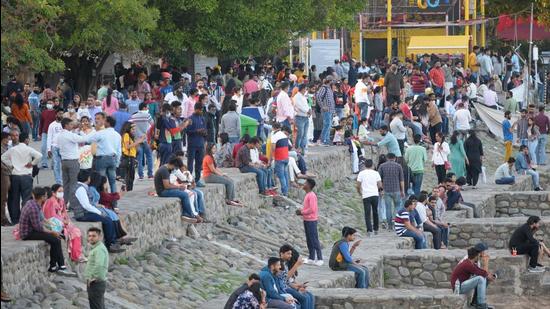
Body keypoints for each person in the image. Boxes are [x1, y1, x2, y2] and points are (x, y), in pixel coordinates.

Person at [19, 187, 74, 275]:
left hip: (33, 230)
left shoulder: (34, 203)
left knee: (57, 238)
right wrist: (52, 232)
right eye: (45, 196)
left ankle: (61, 266)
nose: (46, 197)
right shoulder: (33, 208)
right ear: (42, 197)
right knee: (55, 239)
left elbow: (42, 219)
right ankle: (53, 266)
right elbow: (39, 228)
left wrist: (52, 226)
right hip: (28, 233)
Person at [72, 170, 125, 253]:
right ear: (88, 179)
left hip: (84, 212)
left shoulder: (79, 187)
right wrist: (99, 212)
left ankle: (114, 241)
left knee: (107, 218)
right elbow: (86, 205)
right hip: (83, 214)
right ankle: (110, 244)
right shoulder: (81, 189)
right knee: (107, 220)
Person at [1, 132, 42, 224]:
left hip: (15, 176)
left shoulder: (13, 149)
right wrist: (32, 163)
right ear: (26, 139)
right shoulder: (28, 149)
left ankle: (15, 220)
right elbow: (39, 156)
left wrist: (12, 165)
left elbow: (3, 158)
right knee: (26, 199)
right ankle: (25, 219)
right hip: (26, 176)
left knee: (14, 199)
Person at [42, 184, 86, 262]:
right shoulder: (50, 202)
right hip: (54, 224)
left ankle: (77, 254)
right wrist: (63, 221)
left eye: (62, 191)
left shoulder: (61, 200)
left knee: (77, 231)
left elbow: (64, 212)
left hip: (62, 222)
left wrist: (67, 220)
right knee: (74, 232)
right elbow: (52, 217)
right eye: (59, 191)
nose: (61, 193)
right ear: (53, 193)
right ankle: (75, 256)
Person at [154, 157, 200, 222]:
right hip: (162, 192)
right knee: (184, 195)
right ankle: (187, 214)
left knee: (186, 193)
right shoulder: (164, 170)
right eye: (176, 168)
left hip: (165, 190)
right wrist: (178, 187)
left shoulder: (165, 169)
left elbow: (169, 184)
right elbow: (167, 186)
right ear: (173, 165)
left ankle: (189, 213)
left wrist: (179, 186)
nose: (175, 169)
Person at [56, 117, 91, 202]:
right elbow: (84, 139)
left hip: (64, 161)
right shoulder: (69, 135)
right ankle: (72, 202)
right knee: (73, 183)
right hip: (72, 161)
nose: (72, 126)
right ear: (66, 125)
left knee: (66, 183)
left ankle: (65, 202)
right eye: (71, 124)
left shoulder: (60, 135)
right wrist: (82, 131)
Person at [89, 116, 121, 193]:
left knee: (101, 181)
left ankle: (103, 201)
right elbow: (119, 150)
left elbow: (89, 139)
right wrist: (117, 163)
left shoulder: (101, 133)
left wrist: (96, 128)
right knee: (113, 182)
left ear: (108, 123)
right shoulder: (117, 135)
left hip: (101, 159)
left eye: (105, 121)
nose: (103, 123)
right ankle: (114, 202)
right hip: (112, 159)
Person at [296, 179, 322, 265]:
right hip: (306, 219)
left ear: (309, 185)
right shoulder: (307, 195)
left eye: (306, 183)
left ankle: (319, 258)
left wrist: (302, 212)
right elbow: (308, 208)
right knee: (309, 239)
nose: (304, 184)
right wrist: (302, 210)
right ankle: (311, 257)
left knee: (314, 239)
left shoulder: (311, 195)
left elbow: (312, 209)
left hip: (311, 220)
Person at [378, 153, 404, 230]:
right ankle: (394, 219)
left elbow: (379, 180)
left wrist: (381, 190)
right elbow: (401, 180)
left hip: (386, 190)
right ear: (395, 158)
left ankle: (389, 225)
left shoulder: (382, 166)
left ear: (387, 158)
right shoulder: (399, 166)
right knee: (398, 206)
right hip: (396, 190)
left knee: (388, 208)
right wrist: (402, 190)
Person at [356, 159, 382, 236]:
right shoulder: (376, 173)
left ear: (364, 165)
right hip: (374, 194)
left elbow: (358, 185)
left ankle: (369, 230)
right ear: (372, 165)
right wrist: (380, 191)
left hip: (366, 195)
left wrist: (359, 192)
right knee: (375, 212)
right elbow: (380, 185)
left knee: (367, 213)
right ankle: (376, 229)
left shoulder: (361, 173)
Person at [84, 227, 109, 309]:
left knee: (96, 306)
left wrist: (92, 278)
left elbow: (99, 265)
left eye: (94, 236)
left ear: (99, 236)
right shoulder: (97, 248)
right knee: (99, 305)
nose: (91, 238)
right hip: (97, 282)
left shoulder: (99, 249)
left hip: (96, 283)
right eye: (89, 236)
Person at [129, 102, 154, 179]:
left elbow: (130, 127)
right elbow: (153, 125)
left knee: (139, 158)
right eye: (147, 107)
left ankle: (141, 175)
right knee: (149, 156)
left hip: (137, 140)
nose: (148, 109)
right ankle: (150, 174)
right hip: (146, 139)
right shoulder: (147, 115)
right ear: (144, 108)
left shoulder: (133, 116)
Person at [186, 103, 207, 185]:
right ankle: (189, 181)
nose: (201, 111)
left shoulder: (202, 118)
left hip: (200, 144)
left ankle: (197, 180)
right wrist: (196, 131)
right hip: (192, 144)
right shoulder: (190, 119)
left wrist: (204, 132)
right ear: (196, 109)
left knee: (199, 163)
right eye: (200, 110)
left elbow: (205, 130)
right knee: (190, 164)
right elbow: (187, 132)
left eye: (202, 110)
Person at [120, 122, 143, 191]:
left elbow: (134, 147)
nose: (134, 130)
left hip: (132, 157)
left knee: (131, 175)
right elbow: (127, 146)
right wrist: (138, 142)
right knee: (129, 175)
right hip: (128, 157)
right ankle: (128, 190)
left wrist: (138, 142)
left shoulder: (131, 136)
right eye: (132, 129)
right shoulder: (126, 135)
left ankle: (129, 189)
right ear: (128, 128)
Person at [271, 123, 290, 196]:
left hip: (279, 158)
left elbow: (273, 148)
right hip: (286, 157)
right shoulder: (284, 135)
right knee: (285, 175)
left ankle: (284, 193)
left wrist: (270, 159)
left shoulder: (274, 136)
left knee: (281, 176)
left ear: (273, 128)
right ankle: (286, 191)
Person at [47, 108, 64, 184]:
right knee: (56, 165)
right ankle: (58, 182)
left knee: (64, 166)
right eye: (60, 113)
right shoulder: (52, 125)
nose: (61, 115)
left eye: (62, 113)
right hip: (54, 147)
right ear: (56, 114)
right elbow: (49, 137)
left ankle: (64, 180)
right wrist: (48, 149)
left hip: (64, 147)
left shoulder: (65, 124)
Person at [316, 76, 335, 146]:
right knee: (327, 124)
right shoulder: (324, 88)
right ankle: (323, 140)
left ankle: (326, 139)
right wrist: (322, 106)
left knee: (329, 125)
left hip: (330, 110)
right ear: (329, 81)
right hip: (326, 110)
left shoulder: (329, 89)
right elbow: (318, 96)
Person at [293, 84, 310, 154]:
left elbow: (306, 105)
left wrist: (309, 110)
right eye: (305, 89)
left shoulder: (303, 96)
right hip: (300, 117)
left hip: (306, 117)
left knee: (305, 135)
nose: (306, 90)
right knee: (300, 134)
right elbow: (299, 106)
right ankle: (297, 148)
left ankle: (303, 149)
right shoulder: (296, 96)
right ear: (302, 89)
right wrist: (307, 110)